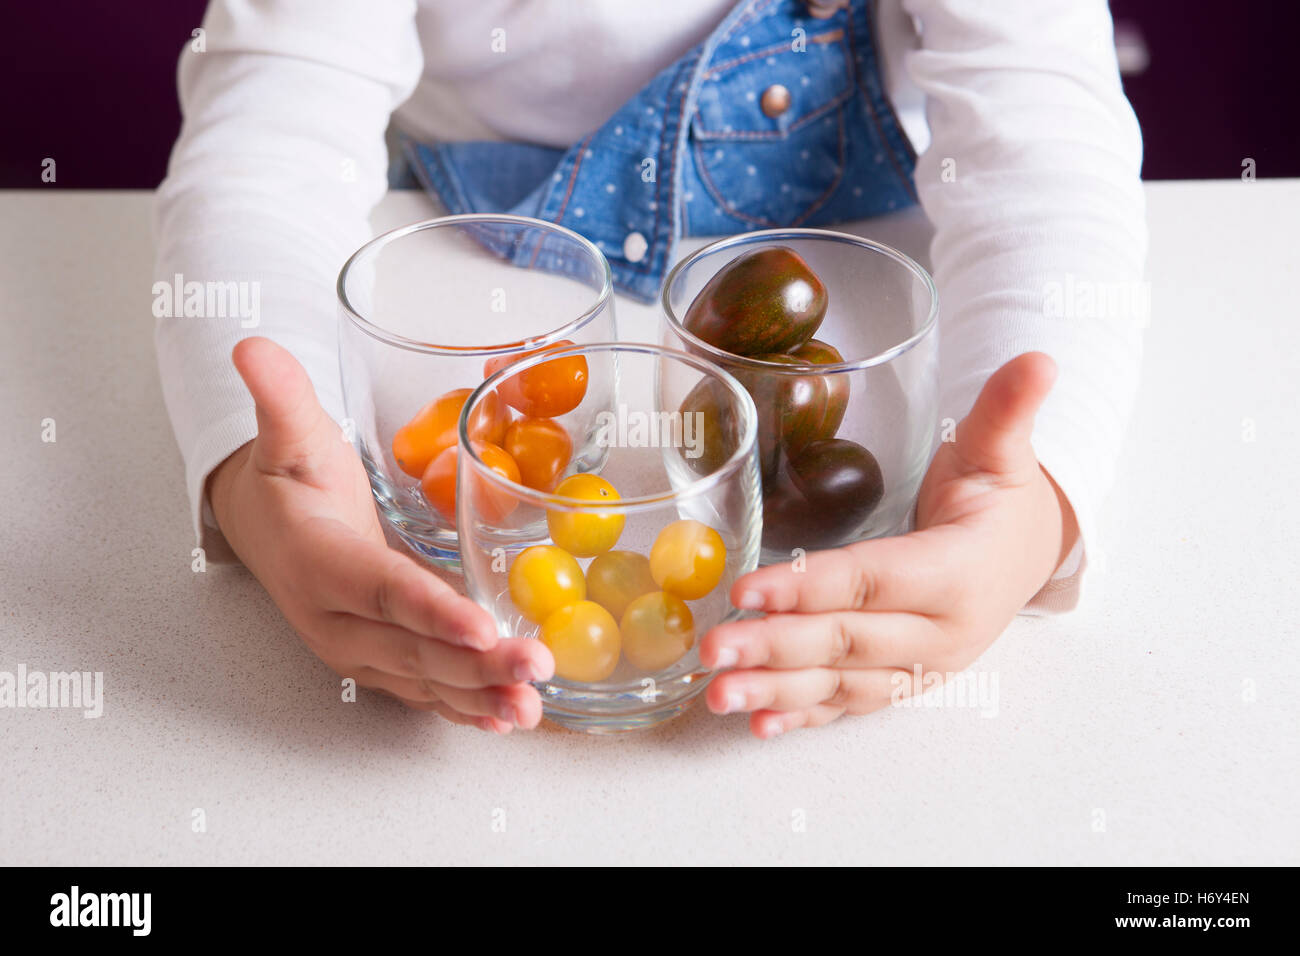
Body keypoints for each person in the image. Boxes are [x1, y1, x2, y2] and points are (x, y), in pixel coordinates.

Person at [154, 0, 1146, 737]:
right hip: (468, 252)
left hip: (867, 260)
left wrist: (1029, 499)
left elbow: (1047, 152)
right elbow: (266, 145)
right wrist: (255, 461)